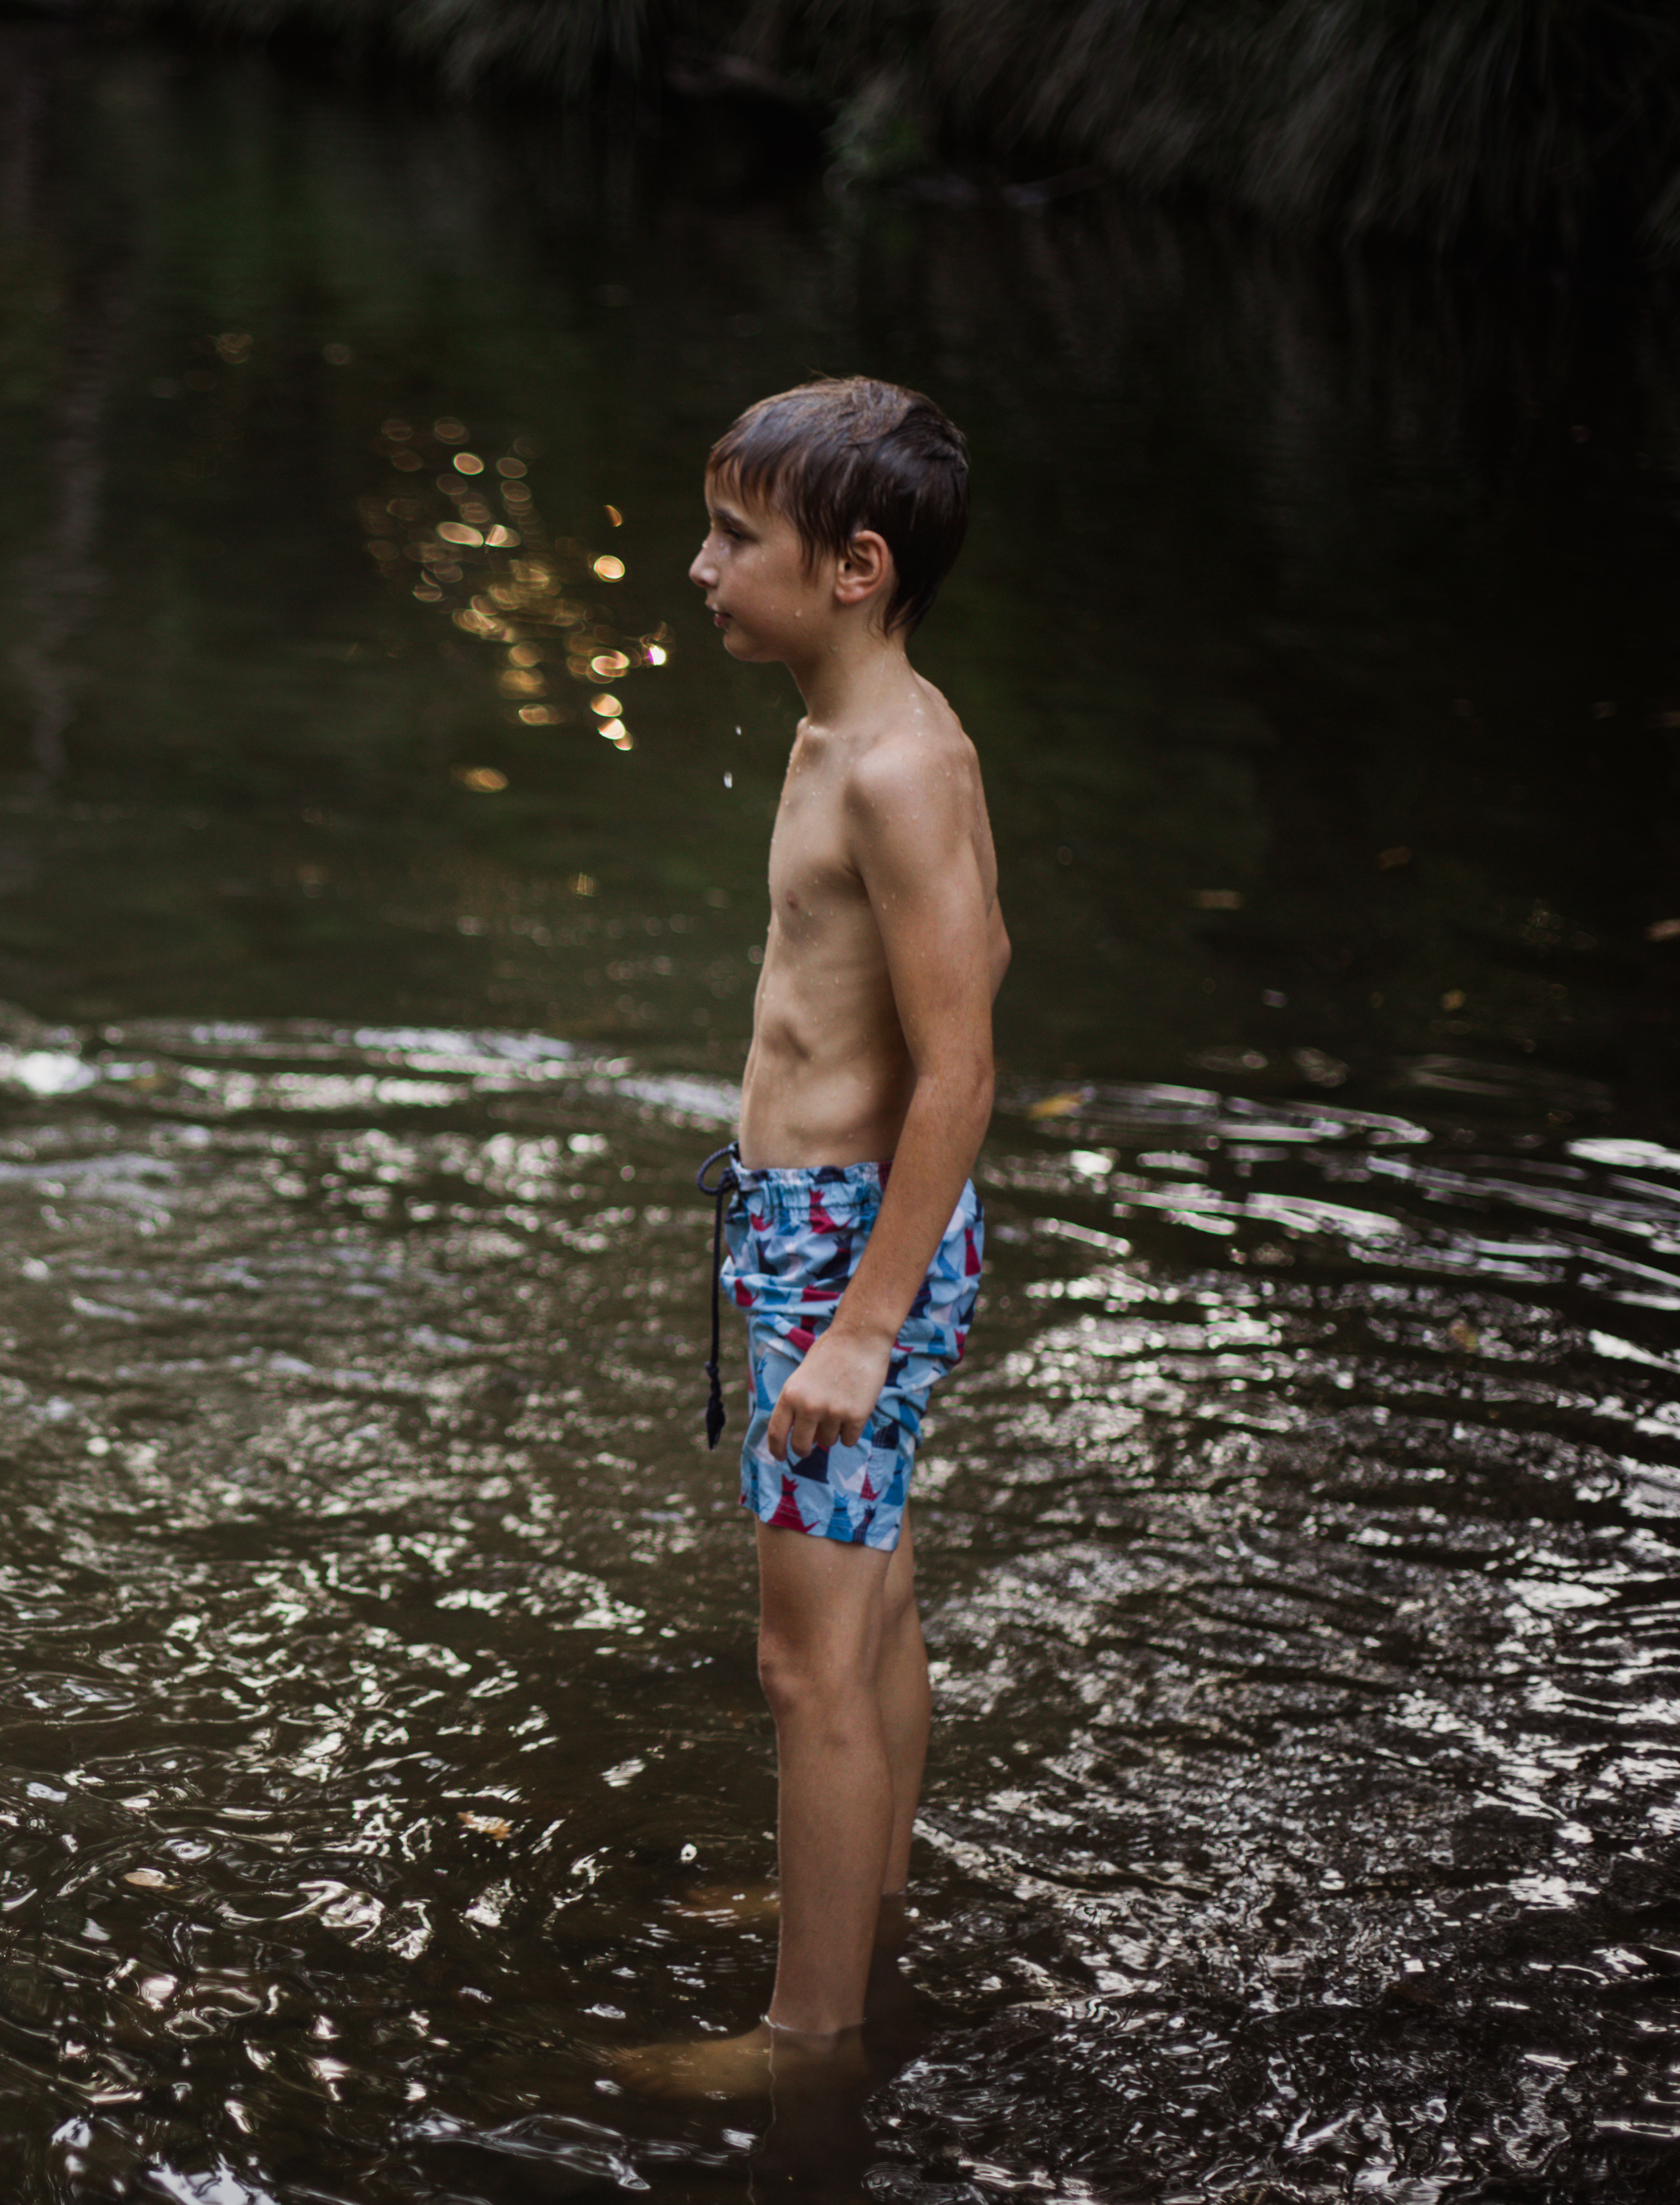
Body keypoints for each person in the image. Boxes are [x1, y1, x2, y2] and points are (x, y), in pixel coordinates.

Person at [622, 378, 1007, 2104]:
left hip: (847, 1246)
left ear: (853, 567)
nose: (700, 568)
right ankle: (863, 1903)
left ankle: (806, 2040)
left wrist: (862, 1322)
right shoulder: (849, 725)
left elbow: (961, 1065)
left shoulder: (901, 767)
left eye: (733, 539)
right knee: (877, 1609)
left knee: (806, 1660)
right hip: (816, 1228)